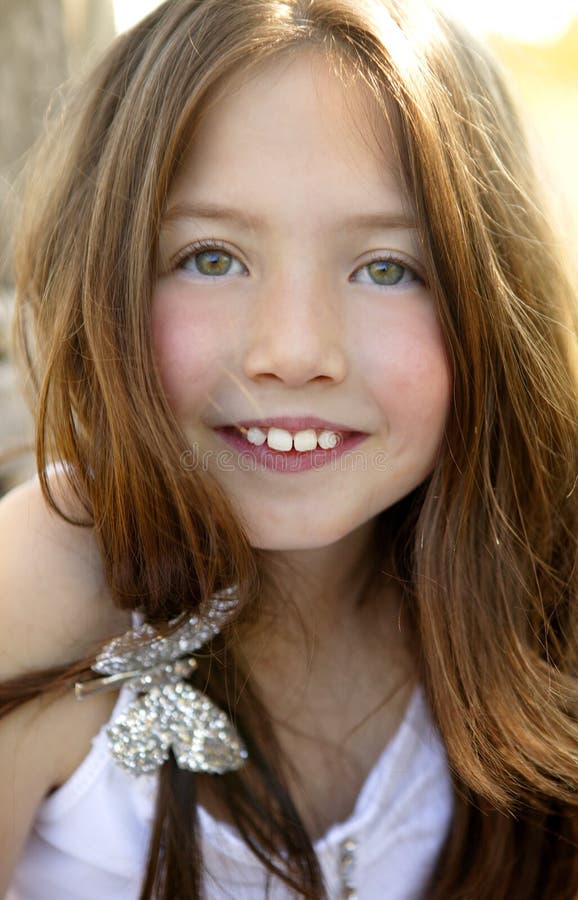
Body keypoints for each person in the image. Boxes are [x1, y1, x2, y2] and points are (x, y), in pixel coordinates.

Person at [1, 0, 577, 897]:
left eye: (386, 267)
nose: (295, 351)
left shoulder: (541, 588)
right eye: (211, 257)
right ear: (109, 273)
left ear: (493, 303)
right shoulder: (53, 577)